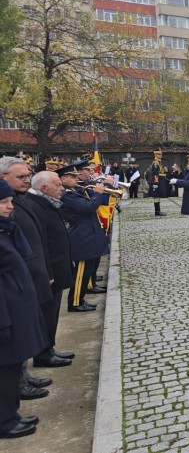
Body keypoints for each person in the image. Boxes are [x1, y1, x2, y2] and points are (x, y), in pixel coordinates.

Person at [0, 178, 48, 439]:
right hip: (5, 314)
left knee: (11, 368)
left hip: (16, 307)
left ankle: (11, 413)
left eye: (9, 202)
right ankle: (4, 420)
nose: (10, 207)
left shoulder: (5, 229)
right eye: (4, 203)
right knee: (4, 371)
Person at [27, 172, 76, 369]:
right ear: (44, 188)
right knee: (46, 312)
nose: (61, 188)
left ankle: (49, 348)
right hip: (49, 269)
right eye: (57, 185)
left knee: (53, 311)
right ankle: (43, 353)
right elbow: (39, 243)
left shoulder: (46, 202)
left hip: (56, 264)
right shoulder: (35, 206)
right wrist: (47, 271)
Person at [58, 161, 109, 313]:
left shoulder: (74, 192)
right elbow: (87, 208)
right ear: (63, 179)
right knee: (81, 272)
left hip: (87, 232)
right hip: (81, 235)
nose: (76, 179)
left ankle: (81, 298)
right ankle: (75, 302)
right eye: (72, 176)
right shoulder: (67, 196)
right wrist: (98, 194)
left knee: (88, 269)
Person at [148, 150, 169, 216]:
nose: (161, 155)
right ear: (156, 155)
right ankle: (157, 211)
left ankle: (158, 211)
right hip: (157, 182)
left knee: (157, 197)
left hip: (160, 181)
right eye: (159, 154)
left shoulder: (159, 163)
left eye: (161, 154)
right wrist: (156, 183)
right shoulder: (156, 163)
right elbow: (155, 174)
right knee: (156, 196)